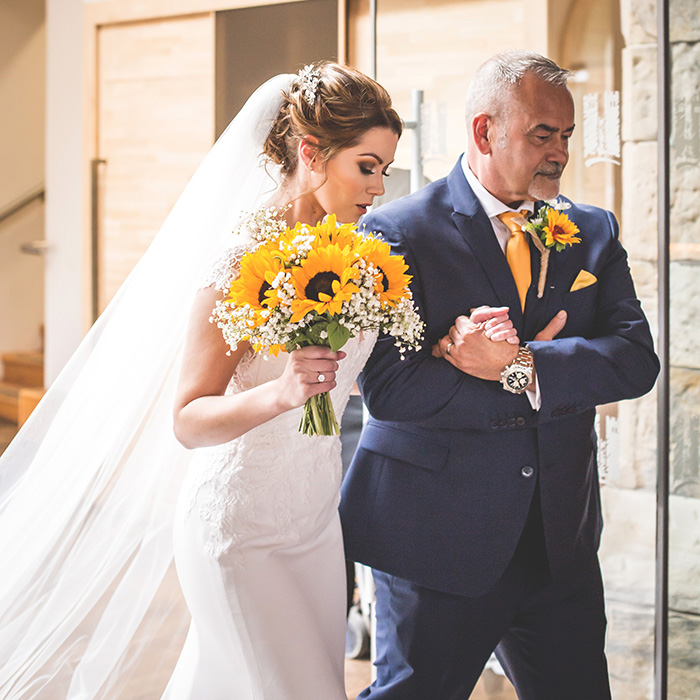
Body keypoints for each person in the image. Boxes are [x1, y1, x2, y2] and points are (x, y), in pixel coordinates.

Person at [1, 62, 511, 700]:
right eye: (366, 165)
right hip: (240, 527)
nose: (379, 188)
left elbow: (354, 373)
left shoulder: (353, 255)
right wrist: (282, 392)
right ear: (310, 153)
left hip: (317, 525)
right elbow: (187, 418)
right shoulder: (240, 258)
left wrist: (452, 345)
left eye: (383, 168)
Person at [340, 50, 659, 700]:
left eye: (567, 135)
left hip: (558, 548)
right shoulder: (396, 232)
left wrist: (517, 363)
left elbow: (635, 359)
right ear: (484, 131)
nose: (560, 153)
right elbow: (395, 392)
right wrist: (554, 379)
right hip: (437, 543)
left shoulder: (590, 231)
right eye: (543, 133)